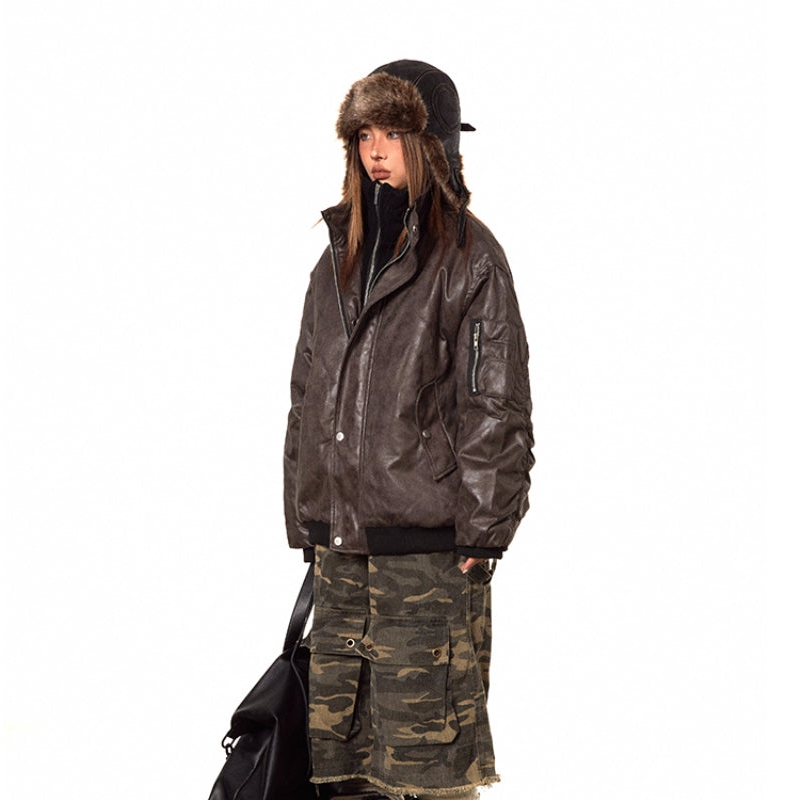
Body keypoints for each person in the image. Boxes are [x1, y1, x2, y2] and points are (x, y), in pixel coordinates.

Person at [283, 60, 534, 800]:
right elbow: (307, 391)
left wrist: (484, 527)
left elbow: (496, 402)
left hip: (428, 557)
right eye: (363, 135)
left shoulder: (469, 258)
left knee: (427, 769)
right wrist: (308, 514)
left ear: (434, 145)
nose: (375, 151)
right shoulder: (338, 258)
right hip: (341, 551)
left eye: (392, 133)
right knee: (340, 767)